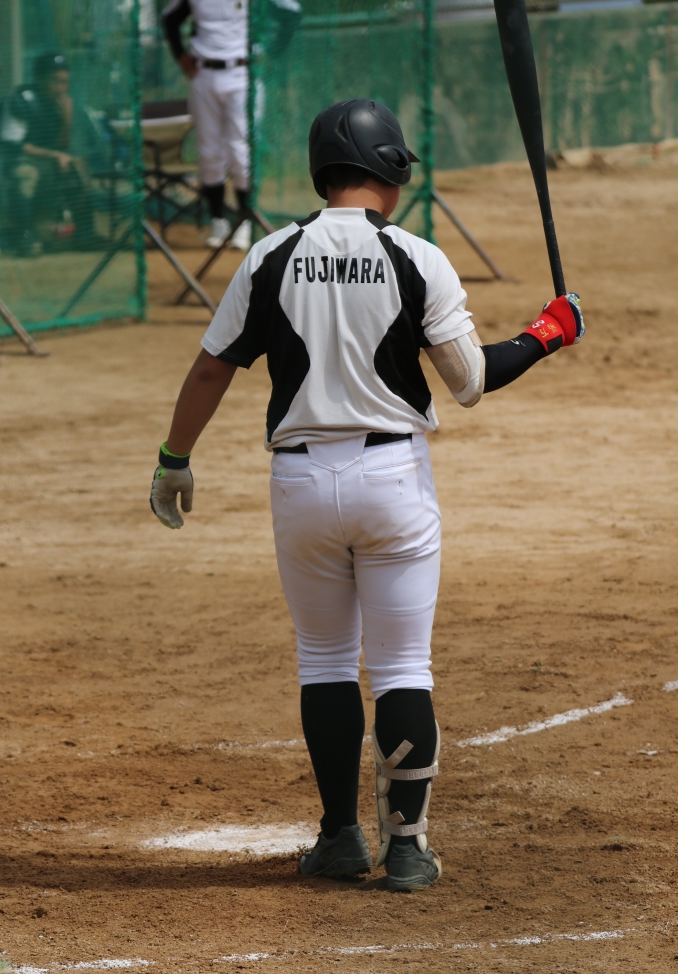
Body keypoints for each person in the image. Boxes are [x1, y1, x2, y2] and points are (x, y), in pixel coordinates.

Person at [149, 99, 585, 892]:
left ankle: (340, 838)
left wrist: (174, 457)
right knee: (402, 666)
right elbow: (469, 381)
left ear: (323, 169)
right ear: (389, 168)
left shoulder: (270, 254)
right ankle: (408, 849)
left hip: (300, 485)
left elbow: (212, 368)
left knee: (324, 662)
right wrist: (548, 333)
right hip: (393, 483)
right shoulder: (416, 256)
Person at [162, 0, 301, 250]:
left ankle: (244, 221)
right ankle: (218, 222)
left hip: (241, 74)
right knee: (208, 150)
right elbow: (169, 19)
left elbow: (291, 12)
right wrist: (180, 56)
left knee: (239, 147)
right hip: (203, 75)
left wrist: (271, 54)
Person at [0, 52, 97, 256]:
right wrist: (55, 155)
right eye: (55, 81)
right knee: (25, 174)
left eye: (65, 82)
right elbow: (15, 146)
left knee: (78, 165)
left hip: (47, 161)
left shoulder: (59, 103)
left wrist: (67, 118)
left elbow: (62, 145)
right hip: (15, 161)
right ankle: (24, 237)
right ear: (39, 79)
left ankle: (86, 234)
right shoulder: (20, 99)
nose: (61, 87)